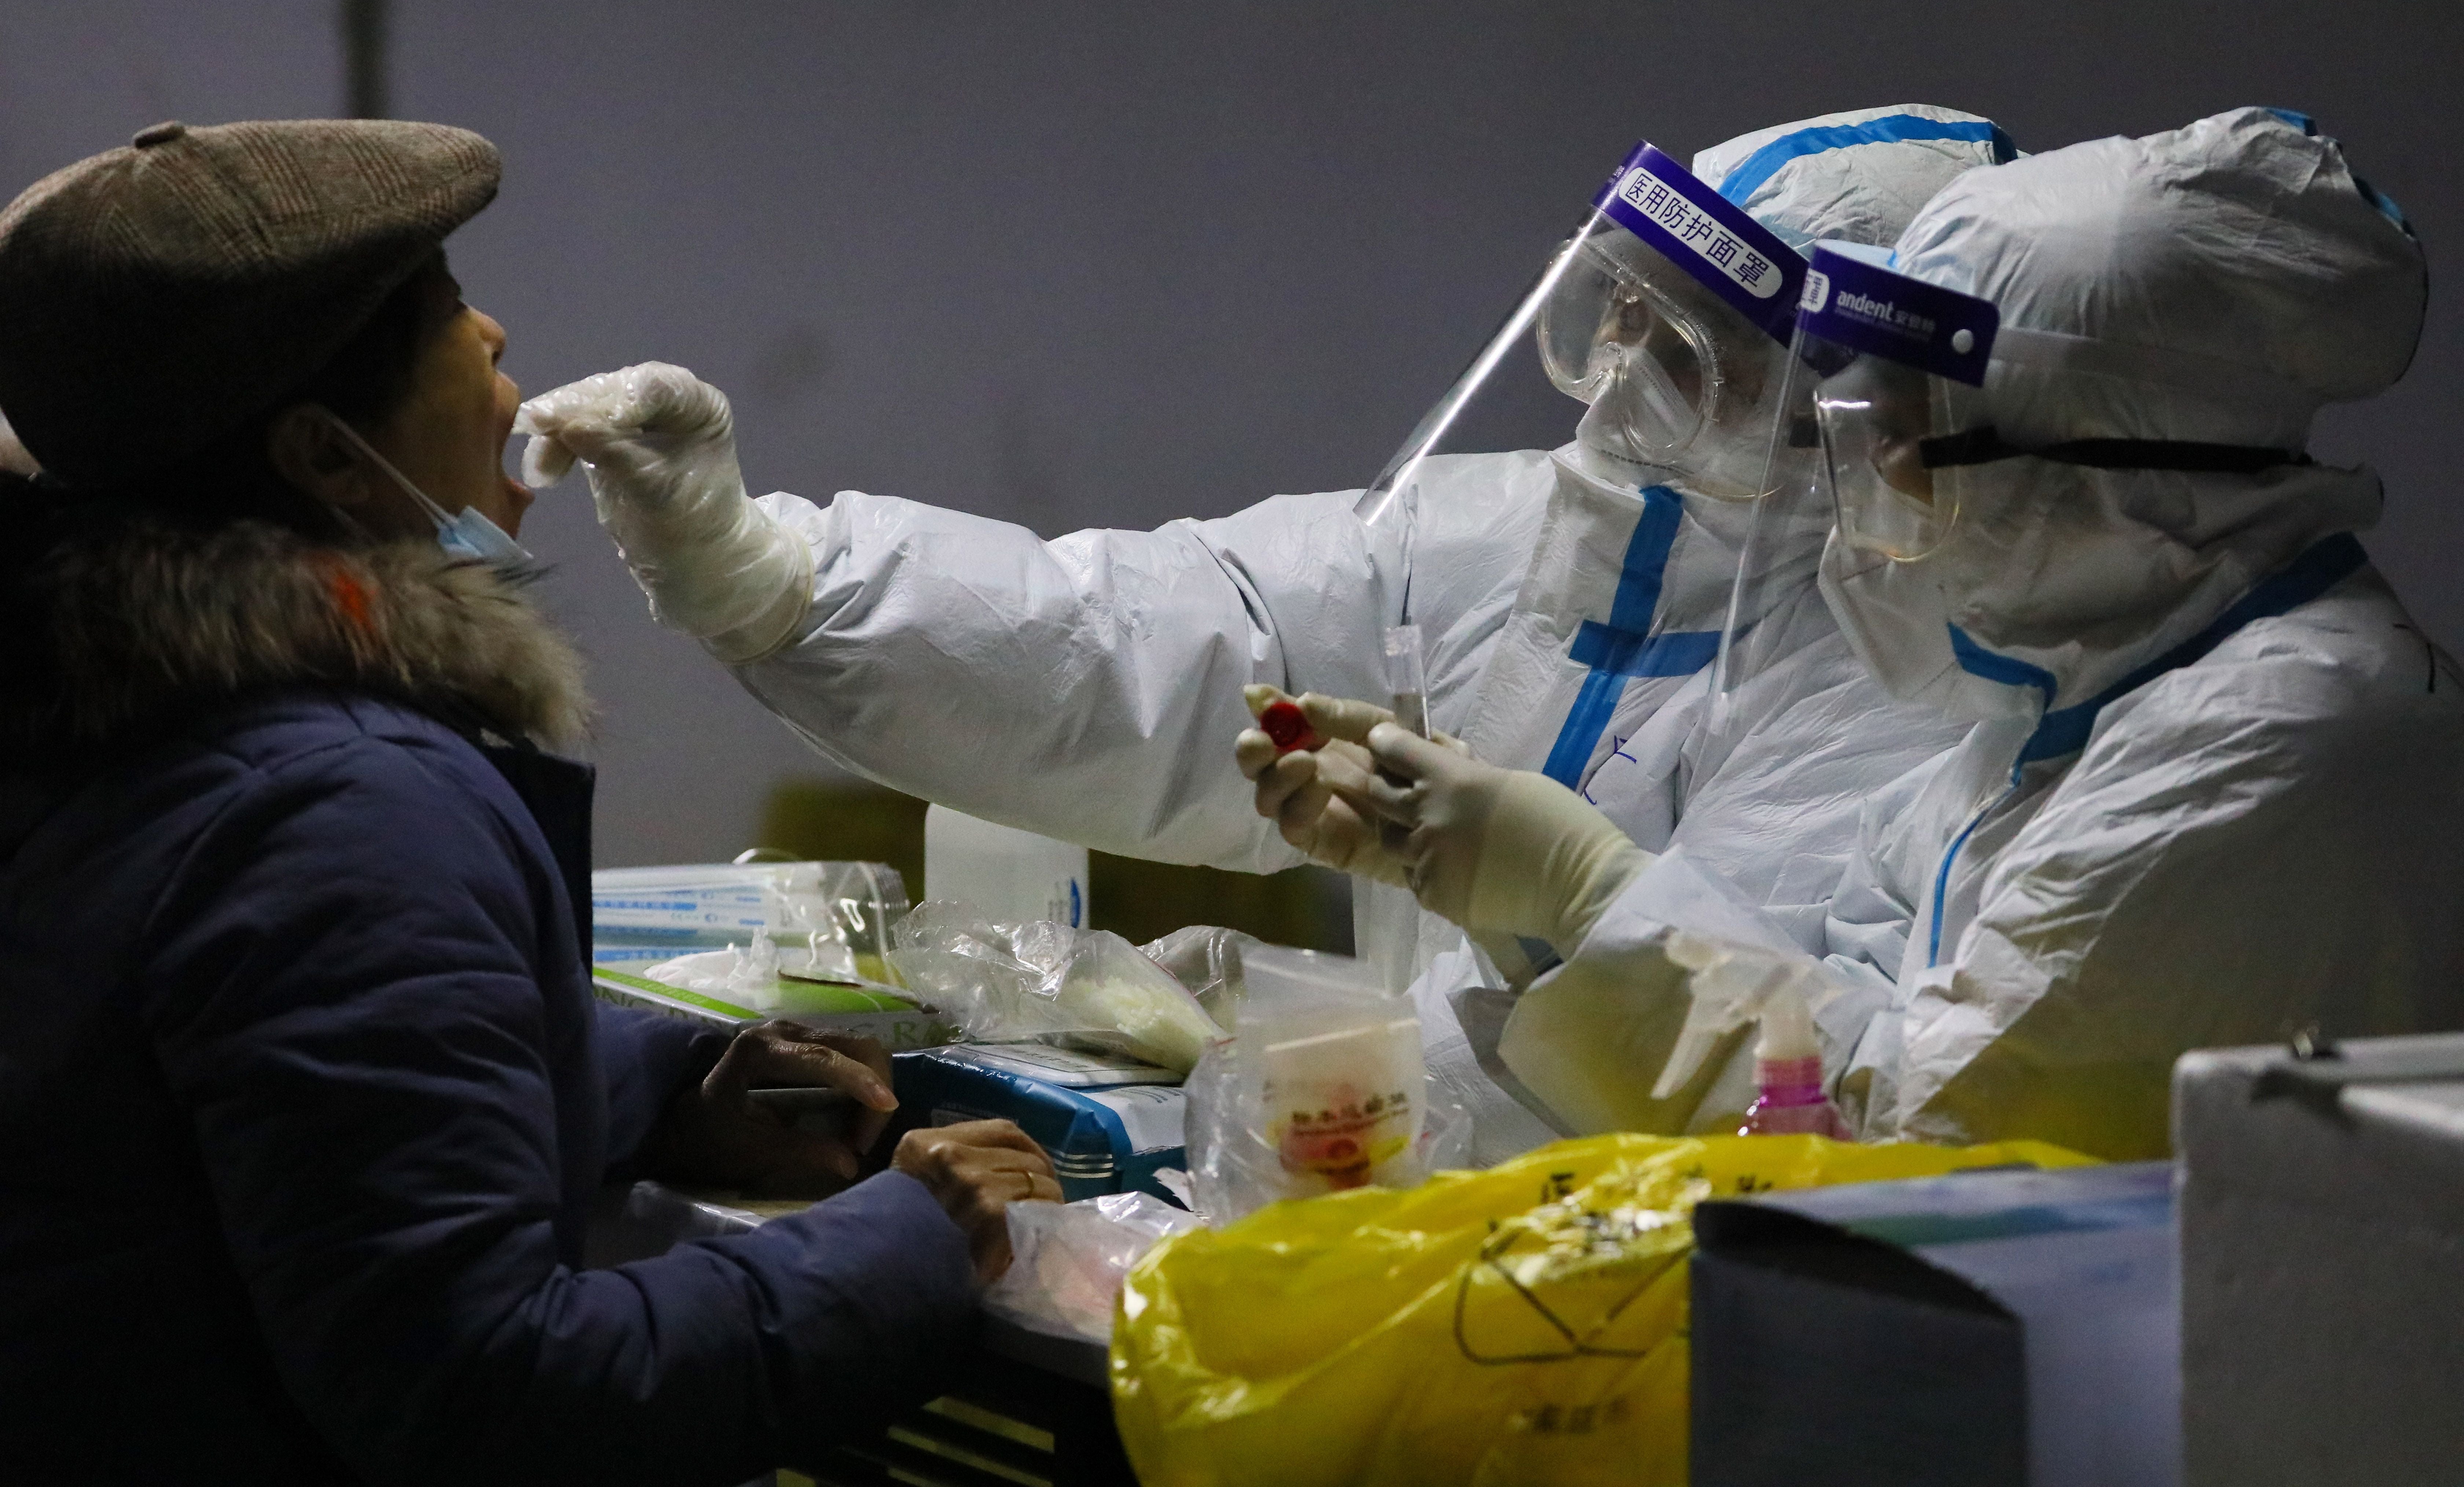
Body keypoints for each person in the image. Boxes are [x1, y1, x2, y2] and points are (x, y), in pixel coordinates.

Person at [519, 107, 2010, 1159]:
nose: (1621, 375)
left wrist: (1571, 897)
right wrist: (775, 569)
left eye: (1699, 354)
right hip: (1414, 1255)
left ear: (1857, 395)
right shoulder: (1519, 535)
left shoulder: (1948, 675)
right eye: (1619, 314)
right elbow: (1139, 651)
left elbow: (1868, 1094)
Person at [0, 120, 1059, 1483]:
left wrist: (656, 1083)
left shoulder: (104, 712)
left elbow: (253, 1108)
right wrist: (911, 1238)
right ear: (326, 456)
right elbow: (493, 1394)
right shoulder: (336, 808)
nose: (495, 336)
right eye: (445, 312)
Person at [1264, 107, 2464, 1162]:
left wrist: (1587, 893)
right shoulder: (2055, 715)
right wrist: (1521, 905)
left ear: (2118, 463)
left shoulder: (2281, 743)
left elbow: (1924, 1141)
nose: (1863, 482)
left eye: (1907, 427)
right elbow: (1829, 1023)